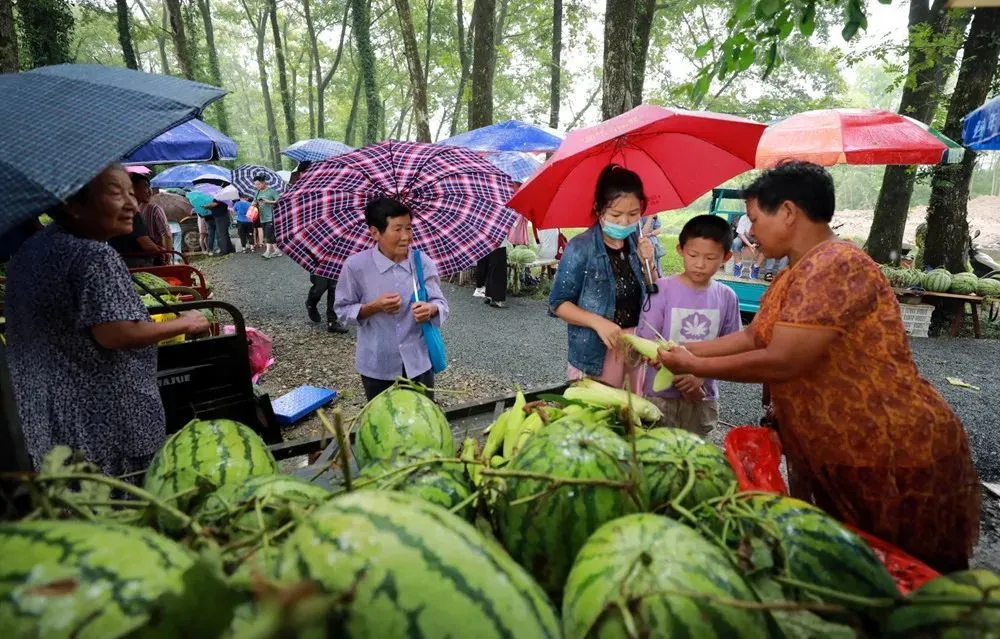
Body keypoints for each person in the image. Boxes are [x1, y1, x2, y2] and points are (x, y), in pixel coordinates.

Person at [654, 161, 980, 572]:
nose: (751, 231)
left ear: (788, 212)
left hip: (884, 448)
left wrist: (697, 364)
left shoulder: (835, 265)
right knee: (853, 573)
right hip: (837, 450)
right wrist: (690, 350)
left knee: (910, 579)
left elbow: (785, 359)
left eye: (755, 219)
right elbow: (756, 337)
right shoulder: (795, 272)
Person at [4, 166, 210, 476]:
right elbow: (116, 333)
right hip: (104, 423)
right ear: (72, 204)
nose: (131, 204)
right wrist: (186, 322)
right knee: (123, 511)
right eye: (116, 194)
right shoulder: (93, 255)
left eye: (131, 192)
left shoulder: (30, 250)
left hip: (49, 421)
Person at [548, 164, 655, 390]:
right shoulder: (580, 248)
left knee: (631, 414)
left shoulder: (638, 243)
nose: (625, 222)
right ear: (599, 209)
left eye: (633, 214)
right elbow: (558, 303)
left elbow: (654, 291)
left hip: (635, 346)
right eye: (616, 215)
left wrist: (649, 263)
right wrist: (598, 323)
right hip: (595, 350)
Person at [334, 196, 449, 401]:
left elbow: (441, 304)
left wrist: (430, 309)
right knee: (384, 424)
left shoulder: (421, 262)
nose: (406, 236)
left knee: (423, 423)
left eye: (409, 228)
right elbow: (342, 310)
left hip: (418, 364)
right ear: (375, 233)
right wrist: (373, 307)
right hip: (378, 366)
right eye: (397, 229)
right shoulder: (356, 267)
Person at [637, 215, 741, 436]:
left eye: (710, 257)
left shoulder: (727, 297)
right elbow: (648, 345)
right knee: (658, 453)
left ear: (726, 257)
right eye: (693, 255)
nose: (700, 264)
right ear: (680, 250)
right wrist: (679, 377)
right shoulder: (662, 290)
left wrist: (699, 376)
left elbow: (733, 348)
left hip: (702, 395)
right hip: (660, 395)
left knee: (697, 455)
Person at [131, 173, 171, 264]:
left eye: (149, 187)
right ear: (132, 189)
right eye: (145, 187)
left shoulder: (135, 210)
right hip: (137, 265)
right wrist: (164, 253)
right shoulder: (131, 212)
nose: (149, 191)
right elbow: (147, 245)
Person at [253, 175, 281, 259]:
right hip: (262, 216)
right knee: (270, 235)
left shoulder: (271, 191)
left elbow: (279, 201)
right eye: (256, 184)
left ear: (263, 182)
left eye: (258, 184)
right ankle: (277, 250)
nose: (257, 186)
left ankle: (267, 252)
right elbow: (254, 201)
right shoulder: (257, 192)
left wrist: (268, 201)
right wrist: (254, 203)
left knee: (268, 234)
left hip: (271, 216)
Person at [731, 212, 765, 279]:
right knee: (735, 242)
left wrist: (756, 243)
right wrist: (750, 245)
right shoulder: (744, 217)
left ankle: (755, 267)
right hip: (744, 237)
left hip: (758, 239)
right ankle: (738, 265)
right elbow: (741, 234)